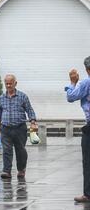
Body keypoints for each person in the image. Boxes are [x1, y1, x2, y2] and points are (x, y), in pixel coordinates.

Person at [0, 74, 37, 179]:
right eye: (6, 84)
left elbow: (30, 110)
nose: (8, 86)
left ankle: (21, 169)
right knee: (6, 150)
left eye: (10, 83)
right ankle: (6, 171)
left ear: (15, 83)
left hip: (19, 128)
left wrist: (32, 121)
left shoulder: (22, 96)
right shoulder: (0, 99)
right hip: (5, 129)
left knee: (20, 150)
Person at [65, 56, 90, 203]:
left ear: (87, 70)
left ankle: (88, 194)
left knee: (88, 161)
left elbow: (71, 97)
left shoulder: (86, 82)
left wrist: (73, 82)